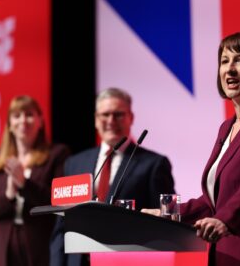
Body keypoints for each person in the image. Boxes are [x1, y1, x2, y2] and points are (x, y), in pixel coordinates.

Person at [143, 32, 240, 265]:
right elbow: (213, 201)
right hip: (226, 253)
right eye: (225, 61)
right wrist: (165, 213)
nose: (230, 69)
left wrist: (226, 220)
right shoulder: (227, 127)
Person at [50, 87, 176, 266]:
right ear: (95, 119)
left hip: (125, 261)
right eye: (105, 114)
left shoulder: (154, 164)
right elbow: (62, 226)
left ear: (131, 118)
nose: (111, 121)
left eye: (118, 114)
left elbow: (166, 222)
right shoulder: (74, 163)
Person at [0, 95, 70, 266]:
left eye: (29, 114)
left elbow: (59, 203)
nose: (23, 121)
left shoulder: (57, 154)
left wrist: (24, 184)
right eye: (16, 115)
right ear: (9, 125)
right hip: (1, 250)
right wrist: (8, 195)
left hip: (39, 247)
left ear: (40, 121)